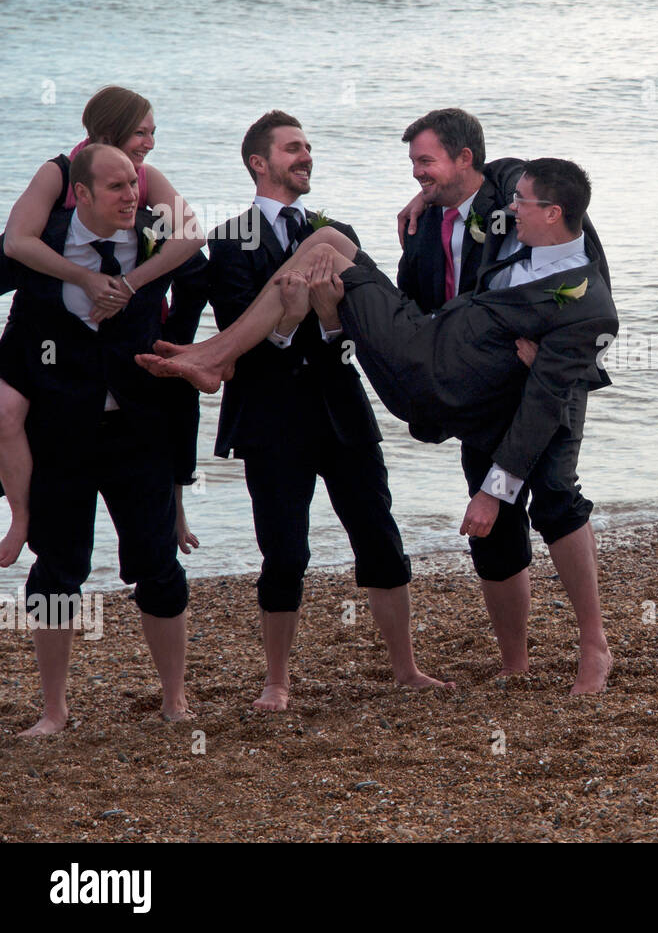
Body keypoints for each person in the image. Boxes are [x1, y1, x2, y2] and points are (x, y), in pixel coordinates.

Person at [140, 157, 619, 694]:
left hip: (429, 374)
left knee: (552, 497)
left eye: (522, 204)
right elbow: (493, 168)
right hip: (424, 340)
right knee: (324, 248)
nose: (508, 209)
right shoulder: (515, 202)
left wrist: (493, 490)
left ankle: (217, 356)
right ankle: (217, 354)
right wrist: (432, 192)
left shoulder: (587, 303)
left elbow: (543, 404)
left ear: (554, 213)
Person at [201, 111, 445, 711]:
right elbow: (237, 332)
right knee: (284, 552)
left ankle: (406, 669)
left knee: (380, 538)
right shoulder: (228, 240)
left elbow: (363, 334)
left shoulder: (338, 230)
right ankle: (276, 680)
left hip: (342, 411)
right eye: (291, 149)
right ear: (259, 163)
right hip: (270, 418)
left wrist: (332, 319)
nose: (304, 157)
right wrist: (284, 326)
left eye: (308, 147)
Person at [394, 109, 614, 693]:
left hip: (550, 376)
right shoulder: (423, 227)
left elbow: (578, 258)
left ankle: (594, 646)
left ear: (466, 160)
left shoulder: (514, 189)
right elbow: (422, 312)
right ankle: (514, 662)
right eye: (413, 164)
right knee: (489, 512)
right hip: (486, 387)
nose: (416, 175)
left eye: (425, 162)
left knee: (556, 496)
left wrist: (562, 351)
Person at [9, 144, 205, 735]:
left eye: (135, 185)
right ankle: (53, 710)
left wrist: (187, 355)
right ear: (82, 194)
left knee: (158, 565)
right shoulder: (44, 248)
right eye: (116, 187)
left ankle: (175, 698)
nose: (132, 196)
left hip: (138, 430)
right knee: (57, 568)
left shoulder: (155, 241)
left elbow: (201, 266)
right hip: (59, 432)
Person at [0, 85, 207, 567]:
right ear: (109, 129)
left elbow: (193, 235)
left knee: (171, 411)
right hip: (45, 327)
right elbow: (16, 242)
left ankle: (175, 515)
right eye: (141, 132)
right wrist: (84, 279)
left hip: (122, 338)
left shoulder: (146, 178)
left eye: (153, 133)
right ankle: (21, 517)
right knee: (6, 412)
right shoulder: (59, 173)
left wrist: (130, 285)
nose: (150, 143)